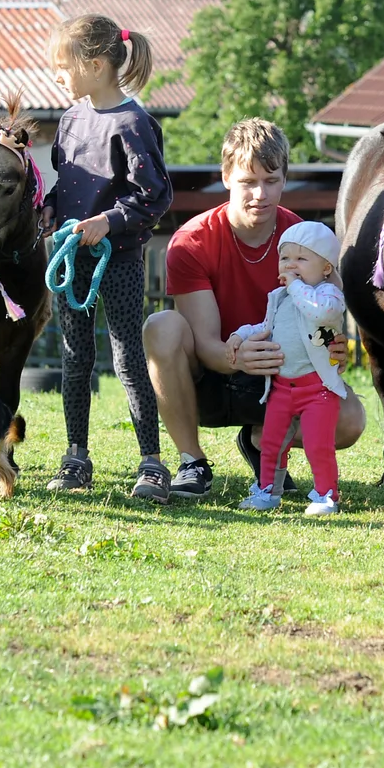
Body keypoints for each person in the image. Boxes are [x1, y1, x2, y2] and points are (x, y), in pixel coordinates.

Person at [144, 119, 364, 498]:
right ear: (227, 176)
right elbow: (204, 344)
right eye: (248, 181)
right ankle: (192, 461)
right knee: (161, 325)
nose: (260, 194)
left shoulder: (305, 239)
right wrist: (238, 356)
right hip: (211, 378)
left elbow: (321, 318)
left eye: (271, 180)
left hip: (280, 379)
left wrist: (332, 349)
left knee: (351, 420)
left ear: (285, 179)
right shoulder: (191, 242)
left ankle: (263, 441)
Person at [39, 15, 175, 500]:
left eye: (63, 67)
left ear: (95, 65)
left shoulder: (135, 124)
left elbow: (154, 197)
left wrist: (108, 223)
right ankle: (76, 456)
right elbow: (64, 184)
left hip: (116, 262)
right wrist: (49, 209)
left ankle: (151, 463)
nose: (58, 76)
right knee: (74, 359)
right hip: (72, 258)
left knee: (126, 358)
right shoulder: (71, 119)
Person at [231, 221, 348, 516]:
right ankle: (268, 490)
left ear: (325, 268)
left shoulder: (329, 295)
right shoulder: (279, 297)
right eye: (285, 258)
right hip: (282, 386)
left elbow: (320, 313)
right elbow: (265, 327)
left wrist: (295, 285)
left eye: (301, 258)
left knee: (316, 444)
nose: (291, 265)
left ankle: (326, 496)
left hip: (317, 388)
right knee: (271, 443)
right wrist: (240, 335)